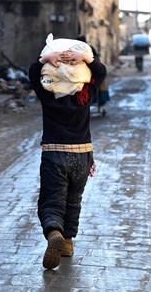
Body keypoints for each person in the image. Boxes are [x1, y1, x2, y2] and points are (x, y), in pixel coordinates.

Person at [28, 46, 107, 269]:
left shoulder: (48, 94)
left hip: (54, 153)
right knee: (73, 200)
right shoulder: (85, 95)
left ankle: (55, 232)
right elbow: (100, 72)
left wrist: (45, 58)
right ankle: (68, 243)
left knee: (52, 200)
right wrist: (85, 58)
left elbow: (34, 73)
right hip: (82, 156)